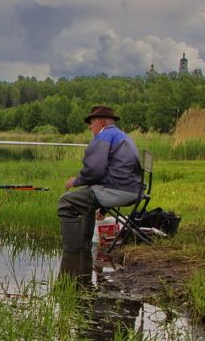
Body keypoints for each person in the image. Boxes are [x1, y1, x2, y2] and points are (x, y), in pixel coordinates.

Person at [57, 106, 142, 282]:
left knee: (66, 202)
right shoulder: (122, 136)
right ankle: (84, 258)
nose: (90, 127)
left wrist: (77, 180)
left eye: (91, 122)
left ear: (101, 121)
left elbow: (94, 171)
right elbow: (109, 172)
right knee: (85, 202)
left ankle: (71, 255)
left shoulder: (104, 136)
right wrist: (102, 206)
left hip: (118, 191)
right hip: (131, 190)